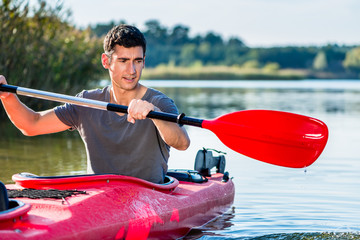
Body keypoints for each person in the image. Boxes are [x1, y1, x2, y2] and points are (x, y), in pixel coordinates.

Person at [0, 24, 190, 183]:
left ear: (144, 62)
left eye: (137, 61)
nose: (132, 70)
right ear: (106, 61)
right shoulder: (87, 103)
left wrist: (155, 114)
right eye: (123, 60)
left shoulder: (160, 102)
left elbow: (182, 143)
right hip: (99, 201)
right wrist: (6, 96)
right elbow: (31, 124)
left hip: (151, 198)